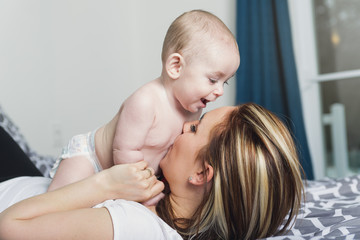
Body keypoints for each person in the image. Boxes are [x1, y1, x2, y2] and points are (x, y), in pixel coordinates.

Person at [0, 103, 304, 239]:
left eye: (196, 128)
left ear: (201, 174)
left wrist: (105, 184)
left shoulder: (136, 227)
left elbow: (8, 227)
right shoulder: (168, 202)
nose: (185, 125)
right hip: (29, 183)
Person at [47, 9, 240, 193]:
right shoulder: (146, 102)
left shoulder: (193, 108)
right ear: (175, 67)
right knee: (57, 203)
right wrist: (146, 192)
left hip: (132, 175)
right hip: (92, 158)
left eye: (226, 82)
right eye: (213, 80)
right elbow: (124, 153)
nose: (220, 91)